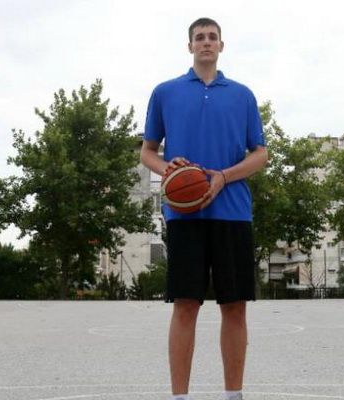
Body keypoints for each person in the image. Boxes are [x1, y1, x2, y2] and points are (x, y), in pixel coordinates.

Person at [140, 17, 267, 400]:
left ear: (221, 46)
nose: (206, 42)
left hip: (233, 212)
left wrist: (223, 177)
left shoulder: (242, 95)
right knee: (185, 306)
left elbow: (260, 154)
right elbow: (147, 152)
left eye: (212, 37)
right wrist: (170, 170)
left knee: (235, 307)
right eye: (200, 37)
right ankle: (180, 396)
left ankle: (234, 395)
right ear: (190, 46)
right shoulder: (165, 92)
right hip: (185, 214)